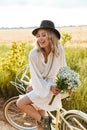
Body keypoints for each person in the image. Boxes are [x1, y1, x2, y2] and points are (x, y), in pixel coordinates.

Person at [16, 20, 67, 130]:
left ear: (51, 36)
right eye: (38, 36)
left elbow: (63, 68)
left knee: (20, 103)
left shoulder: (59, 50)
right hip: (42, 86)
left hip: (52, 87)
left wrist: (63, 85)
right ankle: (45, 122)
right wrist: (40, 85)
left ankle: (45, 121)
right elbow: (36, 77)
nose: (40, 38)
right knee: (40, 122)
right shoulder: (33, 54)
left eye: (44, 35)